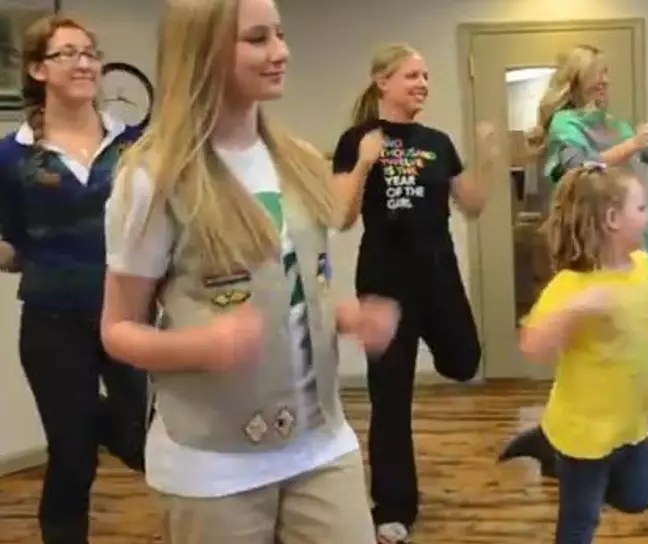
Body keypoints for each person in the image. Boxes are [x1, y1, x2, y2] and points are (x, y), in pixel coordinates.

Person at [99, 0, 398, 542]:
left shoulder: (299, 159)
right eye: (257, 39)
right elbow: (117, 329)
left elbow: (297, 281)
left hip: (321, 443)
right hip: (213, 464)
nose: (281, 52)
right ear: (204, 52)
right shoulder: (152, 179)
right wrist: (201, 347)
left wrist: (344, 314)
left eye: (280, 35)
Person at [499, 43, 648, 477]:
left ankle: (605, 438)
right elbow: (577, 170)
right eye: (598, 73)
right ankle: (565, 439)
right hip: (598, 252)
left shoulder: (611, 122)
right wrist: (632, 144)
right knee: (595, 349)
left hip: (634, 248)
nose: (605, 80)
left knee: (632, 340)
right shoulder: (566, 124)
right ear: (578, 78)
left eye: (607, 73)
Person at [331, 43, 499, 544]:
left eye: (426, 77)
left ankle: (394, 502)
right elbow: (342, 218)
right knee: (390, 400)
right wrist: (363, 164)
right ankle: (393, 508)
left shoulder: (439, 141)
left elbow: (472, 204)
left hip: (439, 273)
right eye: (412, 76)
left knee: (465, 362)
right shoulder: (356, 139)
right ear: (382, 81)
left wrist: (488, 158)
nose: (422, 84)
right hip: (385, 283)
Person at [0, 15, 147, 543]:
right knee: (71, 456)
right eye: (68, 54)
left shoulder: (137, 144)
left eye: (90, 52)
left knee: (143, 441)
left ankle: (90, 420)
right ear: (39, 69)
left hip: (130, 313)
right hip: (52, 319)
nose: (85, 62)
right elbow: (14, 243)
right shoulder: (11, 155)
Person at [520, 163, 648, 543]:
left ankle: (548, 448)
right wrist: (577, 309)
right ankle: (555, 448)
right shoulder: (570, 285)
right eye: (642, 209)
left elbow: (640, 326)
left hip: (632, 423)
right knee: (580, 524)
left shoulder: (644, 267)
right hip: (582, 433)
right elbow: (533, 346)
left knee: (638, 499)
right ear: (613, 218)